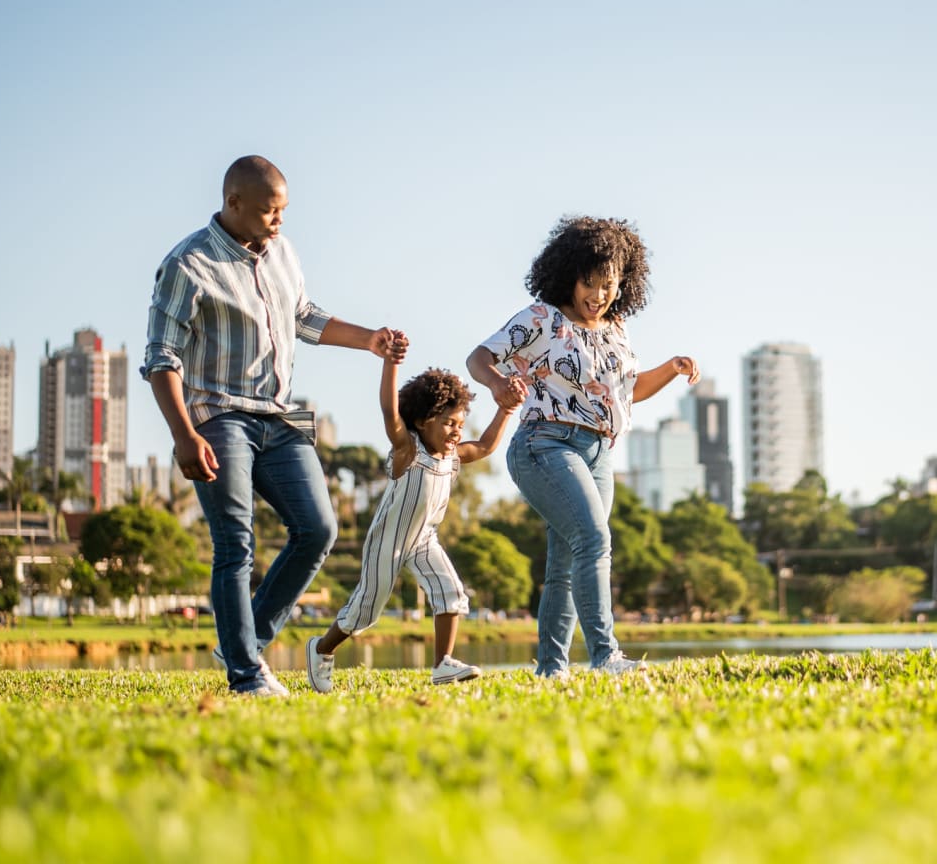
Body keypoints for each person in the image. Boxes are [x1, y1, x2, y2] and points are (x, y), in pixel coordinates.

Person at [143, 154, 407, 698]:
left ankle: (244, 639)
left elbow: (304, 316)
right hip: (218, 418)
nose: (279, 222)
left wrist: (369, 340)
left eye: (284, 211)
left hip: (279, 417)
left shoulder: (282, 252)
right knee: (235, 543)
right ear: (233, 203)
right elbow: (161, 358)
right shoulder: (188, 264)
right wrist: (183, 435)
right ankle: (245, 675)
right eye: (269, 211)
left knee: (319, 528)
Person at [466, 216, 699, 679]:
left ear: (622, 284)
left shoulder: (616, 327)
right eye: (589, 283)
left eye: (608, 285)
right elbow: (479, 358)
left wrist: (670, 368)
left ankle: (551, 671)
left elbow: (626, 390)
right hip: (545, 445)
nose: (598, 295)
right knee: (594, 540)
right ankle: (606, 655)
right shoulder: (542, 319)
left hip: (598, 454)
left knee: (566, 565)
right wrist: (497, 386)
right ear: (568, 275)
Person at [305, 344, 525, 692]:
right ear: (422, 422)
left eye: (460, 424)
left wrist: (506, 409)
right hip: (389, 541)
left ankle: (442, 664)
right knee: (366, 610)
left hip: (424, 540)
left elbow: (483, 446)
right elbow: (389, 412)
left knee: (451, 592)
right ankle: (321, 648)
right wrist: (390, 364)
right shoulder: (408, 450)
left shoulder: (452, 457)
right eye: (448, 423)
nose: (456, 431)